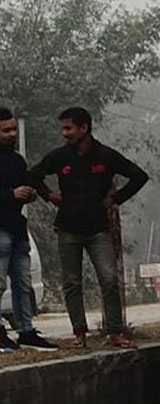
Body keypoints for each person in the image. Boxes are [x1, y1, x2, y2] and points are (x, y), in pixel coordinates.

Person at [29, 107, 148, 349]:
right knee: (72, 282)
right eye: (63, 128)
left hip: (98, 229)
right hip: (67, 228)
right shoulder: (60, 157)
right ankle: (79, 333)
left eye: (69, 128)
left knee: (109, 279)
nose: (65, 133)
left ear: (84, 128)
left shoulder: (105, 156)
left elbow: (139, 176)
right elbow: (33, 175)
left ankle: (114, 332)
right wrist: (48, 195)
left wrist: (115, 199)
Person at [0, 108, 58, 352]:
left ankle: (26, 330)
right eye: (5, 130)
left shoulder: (17, 160)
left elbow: (24, 184)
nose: (11, 134)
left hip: (17, 229)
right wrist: (10, 194)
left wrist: (28, 195)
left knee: (23, 284)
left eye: (13, 129)